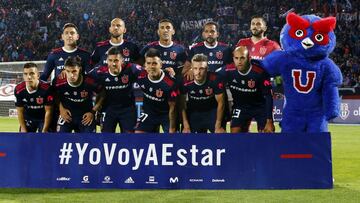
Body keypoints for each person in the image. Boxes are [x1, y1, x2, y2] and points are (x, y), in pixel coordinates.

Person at [220, 46, 274, 133]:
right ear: (233, 59)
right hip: (240, 107)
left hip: (260, 107)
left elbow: (268, 96)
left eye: (242, 58)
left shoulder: (260, 72)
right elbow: (211, 75)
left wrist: (269, 120)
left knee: (266, 134)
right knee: (234, 134)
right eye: (236, 58)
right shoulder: (228, 70)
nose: (239, 61)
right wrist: (191, 70)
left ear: (249, 58)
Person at [89, 47, 142, 133]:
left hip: (128, 110)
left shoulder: (131, 69)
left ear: (122, 61)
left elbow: (149, 73)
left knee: (129, 140)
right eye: (110, 60)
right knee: (106, 139)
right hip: (108, 109)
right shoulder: (99, 72)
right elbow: (83, 78)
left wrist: (164, 72)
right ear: (107, 60)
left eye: (116, 60)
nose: (113, 64)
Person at [53, 56, 103, 133]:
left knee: (90, 141)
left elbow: (103, 93)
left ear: (80, 69)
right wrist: (61, 109)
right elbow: (54, 93)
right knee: (60, 140)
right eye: (68, 71)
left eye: (74, 71)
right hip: (66, 115)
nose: (71, 75)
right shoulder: (58, 81)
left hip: (85, 116)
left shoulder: (90, 81)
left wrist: (93, 111)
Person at [134, 48, 178, 133]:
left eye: (154, 63)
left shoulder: (170, 83)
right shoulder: (140, 75)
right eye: (149, 63)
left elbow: (173, 107)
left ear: (161, 64)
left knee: (171, 140)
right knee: (138, 135)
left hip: (166, 114)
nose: (151, 66)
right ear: (145, 65)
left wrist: (172, 129)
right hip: (149, 113)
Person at [181, 54, 225, 133]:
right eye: (195, 68)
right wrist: (185, 125)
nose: (198, 72)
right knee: (186, 139)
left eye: (201, 68)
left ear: (207, 69)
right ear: (192, 68)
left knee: (220, 136)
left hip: (212, 112)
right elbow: (182, 104)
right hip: (194, 113)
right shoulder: (185, 81)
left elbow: (221, 102)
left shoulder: (215, 79)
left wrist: (218, 125)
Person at [14, 63, 54, 132]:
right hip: (29, 118)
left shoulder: (47, 89)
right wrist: (23, 128)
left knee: (46, 139)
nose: (28, 77)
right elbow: (20, 111)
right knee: (24, 139)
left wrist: (44, 130)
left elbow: (49, 111)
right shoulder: (18, 90)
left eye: (32, 73)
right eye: (25, 74)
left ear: (38, 75)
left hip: (43, 118)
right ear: (23, 76)